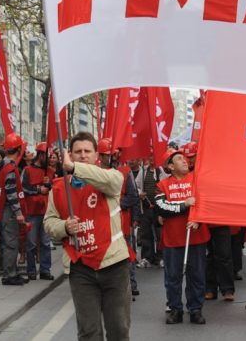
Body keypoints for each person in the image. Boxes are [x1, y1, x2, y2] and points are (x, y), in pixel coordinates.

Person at [43, 132, 131, 340]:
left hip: (114, 265)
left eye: (87, 151)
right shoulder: (58, 188)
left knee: (118, 329)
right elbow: (49, 222)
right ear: (70, 154)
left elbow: (114, 182)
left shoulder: (110, 177)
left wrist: (74, 168)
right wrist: (64, 227)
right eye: (77, 152)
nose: (82, 155)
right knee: (88, 332)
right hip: (80, 268)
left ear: (96, 155)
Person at [155, 149, 211, 325]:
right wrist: (184, 205)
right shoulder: (162, 185)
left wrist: (198, 221)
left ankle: (196, 309)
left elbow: (205, 201)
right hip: (172, 240)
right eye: (179, 159)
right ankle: (175, 309)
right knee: (173, 277)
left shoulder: (197, 179)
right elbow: (162, 207)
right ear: (171, 166)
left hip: (196, 237)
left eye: (184, 158)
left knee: (197, 276)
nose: (185, 160)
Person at [96, 138, 141, 298]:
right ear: (101, 156)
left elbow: (133, 197)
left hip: (122, 222)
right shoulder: (95, 172)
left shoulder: (126, 171)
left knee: (127, 253)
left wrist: (114, 204)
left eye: (115, 154)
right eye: (110, 155)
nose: (114, 157)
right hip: (101, 224)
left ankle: (130, 284)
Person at [0, 133, 27, 285]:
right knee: (11, 243)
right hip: (9, 211)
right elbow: (11, 192)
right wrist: (19, 213)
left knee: (10, 242)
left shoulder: (3, 166)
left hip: (3, 210)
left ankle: (12, 271)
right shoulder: (10, 169)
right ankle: (9, 275)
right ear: (19, 149)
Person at [22, 143, 54, 281]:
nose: (49, 159)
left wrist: (49, 185)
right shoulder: (27, 170)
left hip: (46, 212)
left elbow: (56, 189)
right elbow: (23, 188)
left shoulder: (51, 171)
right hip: (32, 211)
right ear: (40, 155)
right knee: (31, 243)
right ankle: (31, 271)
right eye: (46, 156)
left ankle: (45, 270)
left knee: (46, 242)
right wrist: (38, 190)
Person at [134, 155, 164, 268]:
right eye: (150, 156)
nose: (152, 159)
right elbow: (136, 186)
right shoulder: (143, 171)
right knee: (146, 234)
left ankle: (161, 258)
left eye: (154, 156)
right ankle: (147, 258)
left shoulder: (162, 171)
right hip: (146, 207)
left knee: (160, 234)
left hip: (159, 208)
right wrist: (139, 193)